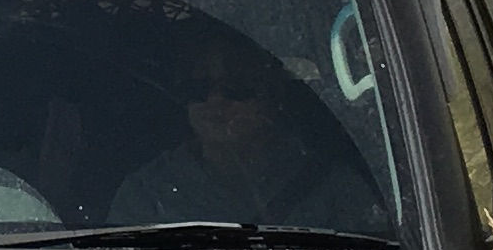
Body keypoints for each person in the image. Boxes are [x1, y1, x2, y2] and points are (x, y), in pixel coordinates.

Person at [108, 24, 392, 236]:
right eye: (197, 87)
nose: (215, 100)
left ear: (273, 98)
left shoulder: (335, 188)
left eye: (236, 87)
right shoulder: (147, 192)